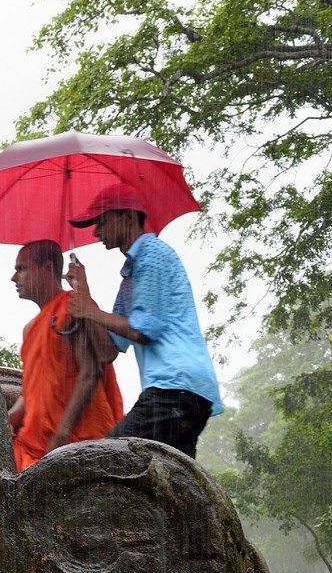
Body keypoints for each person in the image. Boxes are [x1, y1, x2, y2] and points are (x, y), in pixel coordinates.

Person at [65, 183, 223, 458]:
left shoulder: (152, 254)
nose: (96, 231)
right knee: (168, 486)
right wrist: (84, 293)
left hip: (174, 388)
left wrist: (90, 312)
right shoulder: (130, 277)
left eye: (102, 220)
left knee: (103, 459)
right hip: (181, 393)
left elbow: (144, 330)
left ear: (127, 217)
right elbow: (107, 350)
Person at [7, 239, 124, 470]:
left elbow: (90, 373)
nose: (14, 277)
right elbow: (33, 389)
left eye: (21, 268)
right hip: (32, 444)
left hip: (74, 443)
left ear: (48, 268)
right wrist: (11, 415)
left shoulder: (74, 306)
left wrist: (61, 434)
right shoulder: (30, 329)